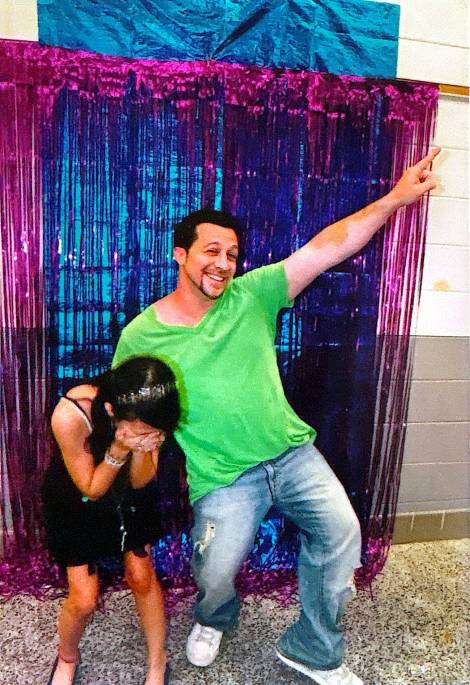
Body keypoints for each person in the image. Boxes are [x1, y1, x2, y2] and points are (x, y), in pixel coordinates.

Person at [112, 148, 440, 685]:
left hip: (291, 454)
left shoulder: (253, 295)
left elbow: (327, 247)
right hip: (222, 474)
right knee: (214, 572)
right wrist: (126, 439)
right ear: (180, 255)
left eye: (232, 254)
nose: (223, 263)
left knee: (341, 535)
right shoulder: (141, 334)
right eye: (211, 251)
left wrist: (395, 199)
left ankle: (312, 650)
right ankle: (214, 617)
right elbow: (128, 406)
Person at [42, 356, 180, 685]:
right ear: (111, 411)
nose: (151, 434)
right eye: (145, 430)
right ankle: (67, 657)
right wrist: (119, 446)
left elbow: (140, 482)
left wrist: (142, 446)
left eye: (155, 431)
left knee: (141, 574)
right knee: (84, 598)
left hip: (127, 495)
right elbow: (91, 488)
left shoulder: (152, 413)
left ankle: (158, 663)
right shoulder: (71, 413)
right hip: (77, 496)